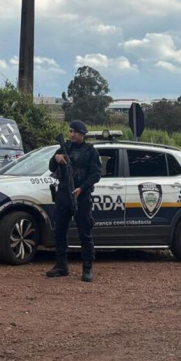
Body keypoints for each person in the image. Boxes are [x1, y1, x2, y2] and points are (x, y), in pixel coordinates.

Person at [46, 120, 101, 282]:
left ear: (82, 134)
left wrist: (82, 188)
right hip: (63, 194)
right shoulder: (64, 148)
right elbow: (51, 168)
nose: (72, 134)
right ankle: (61, 265)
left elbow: (96, 174)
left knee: (85, 232)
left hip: (81, 196)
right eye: (70, 131)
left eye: (75, 132)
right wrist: (55, 158)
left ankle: (87, 267)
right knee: (59, 231)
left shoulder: (90, 151)